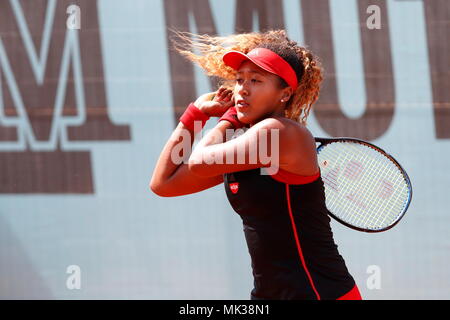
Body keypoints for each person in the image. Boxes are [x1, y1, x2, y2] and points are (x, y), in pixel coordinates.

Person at [150, 29, 362, 300]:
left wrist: (227, 117)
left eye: (256, 80)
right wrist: (195, 115)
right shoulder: (245, 144)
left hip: (321, 293)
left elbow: (202, 161)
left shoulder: (282, 133)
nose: (243, 89)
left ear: (284, 94)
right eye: (239, 80)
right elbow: (163, 184)